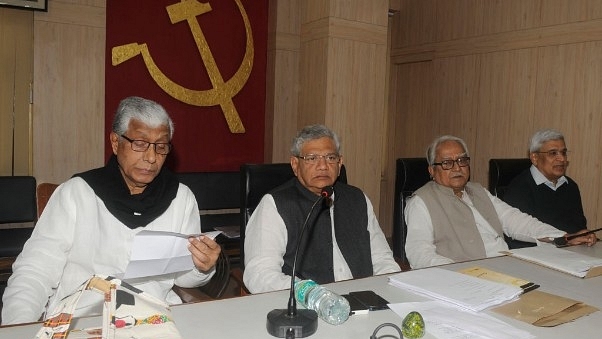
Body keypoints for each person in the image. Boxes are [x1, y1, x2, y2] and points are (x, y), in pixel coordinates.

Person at [1, 96, 221, 325]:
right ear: (116, 142)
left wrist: (201, 266)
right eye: (140, 143)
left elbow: (183, 278)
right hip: (85, 318)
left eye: (161, 146)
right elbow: (35, 272)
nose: (151, 157)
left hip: (154, 318)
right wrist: (18, 327)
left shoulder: (180, 198)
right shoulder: (78, 193)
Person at [243, 124, 400, 293]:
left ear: (340, 163)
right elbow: (260, 274)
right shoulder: (274, 205)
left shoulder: (357, 199)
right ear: (295, 164)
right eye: (312, 158)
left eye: (330, 158)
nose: (323, 166)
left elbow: (382, 259)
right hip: (307, 305)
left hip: (364, 297)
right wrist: (312, 294)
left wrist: (388, 291)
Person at [404, 135, 596, 269]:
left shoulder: (478, 191)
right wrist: (460, 272)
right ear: (431, 170)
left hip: (506, 268)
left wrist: (563, 237)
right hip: (467, 279)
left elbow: (517, 221)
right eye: (447, 163)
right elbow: (419, 254)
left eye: (463, 160)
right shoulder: (421, 202)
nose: (457, 167)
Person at [503, 129, 587, 248]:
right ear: (534, 157)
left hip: (574, 252)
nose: (562, 159)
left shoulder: (571, 186)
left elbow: (579, 226)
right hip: (539, 257)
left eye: (563, 152)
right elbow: (520, 241)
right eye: (553, 153)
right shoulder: (519, 189)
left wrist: (585, 236)